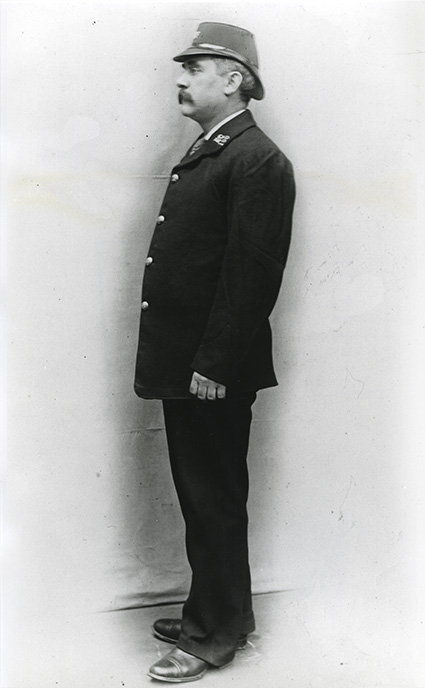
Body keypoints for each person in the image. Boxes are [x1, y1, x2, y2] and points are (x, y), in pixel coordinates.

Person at [134, 21, 296, 683]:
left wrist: (214, 364)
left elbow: (249, 276)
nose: (179, 78)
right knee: (207, 496)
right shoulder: (218, 149)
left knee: (213, 498)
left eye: (192, 67)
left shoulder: (255, 159)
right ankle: (221, 609)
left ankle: (213, 636)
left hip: (209, 369)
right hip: (192, 363)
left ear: (232, 79)